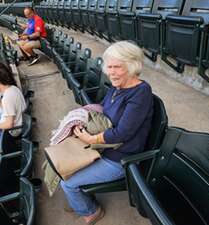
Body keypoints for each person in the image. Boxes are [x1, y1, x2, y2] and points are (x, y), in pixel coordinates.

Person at [60, 41, 154, 225]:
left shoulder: (141, 92)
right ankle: (79, 199)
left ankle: (91, 211)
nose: (111, 72)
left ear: (132, 65)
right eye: (109, 67)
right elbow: (102, 108)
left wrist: (90, 138)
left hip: (119, 157)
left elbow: (122, 133)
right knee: (63, 169)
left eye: (117, 67)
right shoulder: (117, 86)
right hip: (103, 147)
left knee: (68, 184)